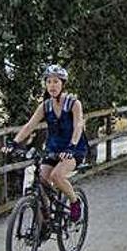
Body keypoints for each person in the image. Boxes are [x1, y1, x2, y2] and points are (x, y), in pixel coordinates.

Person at [5, 64, 88, 222]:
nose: (52, 85)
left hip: (73, 149)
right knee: (42, 181)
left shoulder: (73, 104)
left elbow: (78, 125)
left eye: (56, 81)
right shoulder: (45, 106)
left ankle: (75, 201)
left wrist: (71, 146)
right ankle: (45, 221)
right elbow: (30, 125)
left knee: (56, 176)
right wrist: (14, 143)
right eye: (48, 82)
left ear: (63, 84)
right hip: (53, 148)